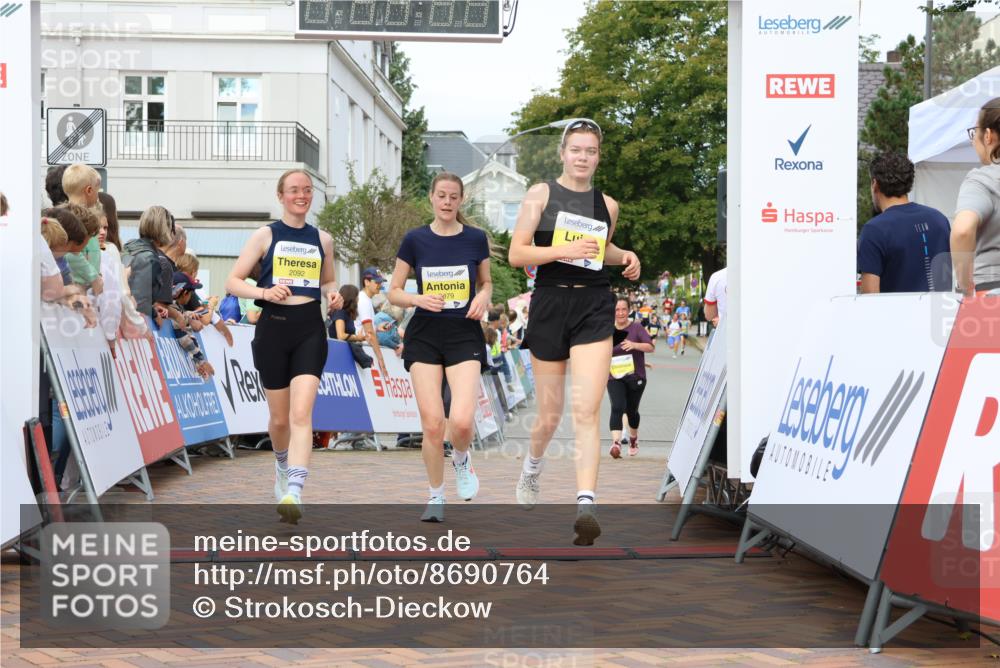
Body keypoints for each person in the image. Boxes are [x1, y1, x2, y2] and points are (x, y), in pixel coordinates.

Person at [508, 118, 641, 545]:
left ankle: (586, 504)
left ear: (598, 157)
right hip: (549, 301)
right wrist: (562, 249)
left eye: (592, 151)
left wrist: (627, 257)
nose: (584, 157)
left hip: (593, 303)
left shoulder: (609, 205)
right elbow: (516, 253)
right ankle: (532, 467)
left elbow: (603, 251)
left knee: (587, 409)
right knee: (549, 416)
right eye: (577, 150)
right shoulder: (540, 194)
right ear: (563, 153)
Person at [225, 169, 343, 523]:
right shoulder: (265, 235)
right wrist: (263, 292)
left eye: (306, 190)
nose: (301, 195)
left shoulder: (323, 239)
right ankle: (281, 464)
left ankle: (295, 489)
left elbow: (330, 279)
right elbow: (233, 281)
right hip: (273, 329)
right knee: (278, 420)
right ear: (281, 196)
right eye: (294, 190)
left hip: (309, 328)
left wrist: (332, 293)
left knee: (301, 414)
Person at [388, 171, 492, 523]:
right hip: (425, 335)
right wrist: (418, 298)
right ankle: (435, 496)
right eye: (441, 195)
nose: (447, 202)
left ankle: (462, 460)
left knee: (460, 422)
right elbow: (394, 291)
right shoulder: (415, 240)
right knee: (433, 423)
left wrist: (483, 299)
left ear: (461, 201)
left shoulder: (476, 239)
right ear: (431, 197)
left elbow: (487, 284)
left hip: (464, 334)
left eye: (453, 197)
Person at [858, 152, 952, 293]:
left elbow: (870, 298)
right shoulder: (939, 219)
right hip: (939, 312)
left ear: (875, 184)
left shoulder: (874, 230)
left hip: (897, 314)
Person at [953, 98, 1000, 296]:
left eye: (975, 132)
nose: (973, 141)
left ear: (988, 135)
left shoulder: (983, 180)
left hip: (991, 290)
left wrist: (964, 286)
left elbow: (962, 231)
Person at [608, 297, 655, 458]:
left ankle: (633, 438)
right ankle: (616, 443)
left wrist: (635, 345)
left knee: (631, 411)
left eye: (623, 309)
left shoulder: (637, 328)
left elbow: (650, 347)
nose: (620, 313)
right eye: (617, 310)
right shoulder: (606, 330)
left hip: (636, 377)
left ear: (629, 310)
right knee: (617, 407)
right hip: (614, 376)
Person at [356, 267, 390, 379]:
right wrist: (381, 359)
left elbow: (367, 328)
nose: (380, 285)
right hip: (360, 348)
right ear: (366, 282)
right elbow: (369, 332)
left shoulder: (366, 299)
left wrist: (377, 328)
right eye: (377, 282)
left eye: (381, 282)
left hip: (361, 347)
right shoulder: (363, 300)